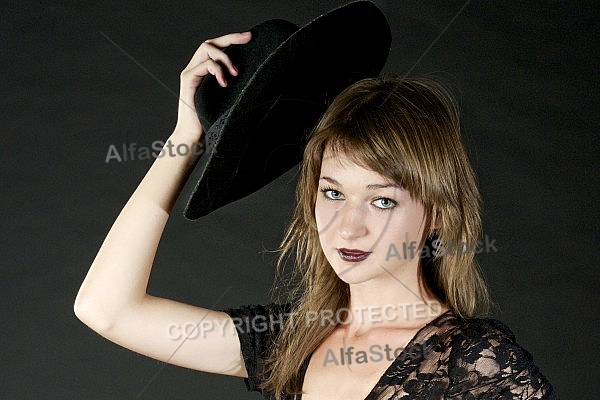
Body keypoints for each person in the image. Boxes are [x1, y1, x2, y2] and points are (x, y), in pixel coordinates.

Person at [74, 31, 557, 399]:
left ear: (435, 214)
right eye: (332, 193)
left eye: (382, 200)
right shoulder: (290, 342)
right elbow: (106, 309)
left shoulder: (477, 362)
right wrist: (188, 136)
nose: (349, 225)